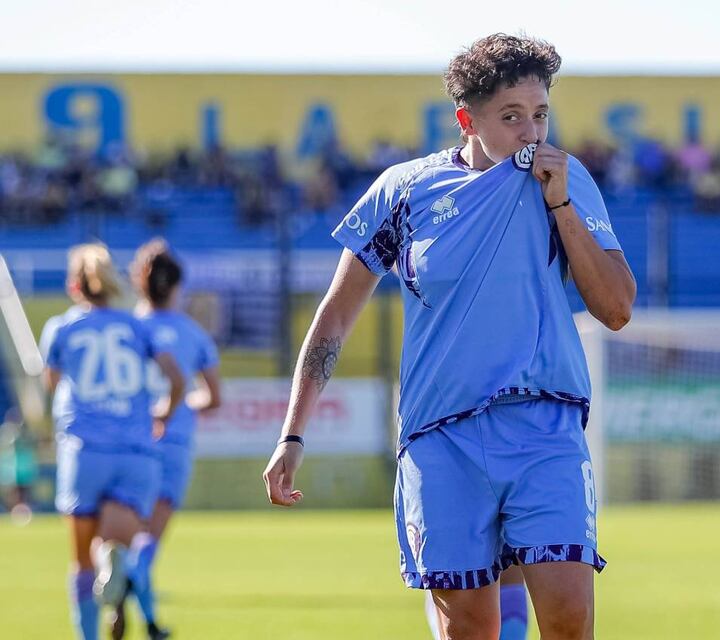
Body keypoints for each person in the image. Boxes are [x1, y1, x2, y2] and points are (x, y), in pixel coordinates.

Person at [263, 33, 635, 640]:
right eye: (511, 117)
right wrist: (293, 433)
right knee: (469, 631)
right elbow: (334, 315)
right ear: (467, 119)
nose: (531, 133)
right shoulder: (403, 190)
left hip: (544, 428)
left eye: (540, 114)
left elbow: (616, 308)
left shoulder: (567, 181)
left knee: (570, 618)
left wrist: (562, 205)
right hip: (442, 439)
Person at [40, 243, 185, 640]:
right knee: (119, 536)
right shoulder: (137, 326)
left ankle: (89, 633)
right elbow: (175, 379)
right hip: (136, 453)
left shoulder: (62, 328)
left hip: (85, 451)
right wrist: (163, 415)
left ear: (75, 286)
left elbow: (51, 384)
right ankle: (114, 557)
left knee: (80, 565)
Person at [105, 239, 222, 640]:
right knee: (148, 542)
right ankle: (136, 593)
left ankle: (146, 619)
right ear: (177, 287)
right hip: (173, 443)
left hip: (131, 443)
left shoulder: (126, 330)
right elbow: (214, 397)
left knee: (126, 533)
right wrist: (186, 400)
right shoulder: (193, 334)